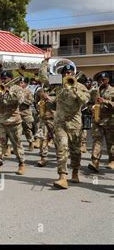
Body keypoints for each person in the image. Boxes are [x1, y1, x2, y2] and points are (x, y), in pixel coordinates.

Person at [40, 48, 89, 189]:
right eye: (65, 73)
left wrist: (73, 88)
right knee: (61, 148)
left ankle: (75, 171)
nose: (67, 74)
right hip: (60, 123)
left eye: (69, 73)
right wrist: (45, 61)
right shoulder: (58, 83)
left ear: (73, 73)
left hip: (74, 124)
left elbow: (85, 100)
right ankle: (62, 177)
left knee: (75, 151)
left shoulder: (80, 86)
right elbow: (43, 78)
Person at [0, 71, 26, 176]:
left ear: (10, 79)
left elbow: (19, 101)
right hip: (2, 121)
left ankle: (21, 164)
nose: (3, 81)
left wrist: (7, 92)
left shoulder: (17, 89)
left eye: (5, 79)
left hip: (14, 122)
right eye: (2, 79)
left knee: (17, 145)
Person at [88, 72, 114, 171]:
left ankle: (112, 160)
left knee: (111, 142)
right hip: (98, 120)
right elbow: (90, 103)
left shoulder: (112, 91)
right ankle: (95, 161)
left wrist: (105, 101)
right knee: (97, 141)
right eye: (100, 80)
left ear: (108, 80)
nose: (101, 82)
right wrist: (92, 108)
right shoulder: (95, 91)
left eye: (103, 80)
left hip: (109, 121)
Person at [34, 84, 57, 167]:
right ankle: (43, 158)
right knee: (43, 138)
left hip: (56, 118)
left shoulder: (60, 90)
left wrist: (49, 98)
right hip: (44, 118)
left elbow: (63, 104)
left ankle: (60, 156)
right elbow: (36, 101)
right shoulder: (41, 90)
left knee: (57, 139)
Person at [17, 77, 35, 151]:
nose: (20, 84)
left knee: (27, 130)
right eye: (20, 82)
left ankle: (31, 142)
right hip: (17, 113)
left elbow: (30, 102)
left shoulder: (28, 92)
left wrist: (23, 99)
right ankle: (18, 146)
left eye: (22, 82)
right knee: (17, 130)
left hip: (25, 113)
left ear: (26, 84)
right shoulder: (16, 91)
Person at [80, 78, 94, 153]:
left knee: (84, 129)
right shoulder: (82, 89)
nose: (87, 83)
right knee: (79, 128)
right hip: (80, 111)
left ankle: (83, 145)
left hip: (87, 112)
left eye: (89, 82)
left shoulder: (93, 91)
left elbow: (94, 101)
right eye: (86, 82)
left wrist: (89, 107)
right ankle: (79, 144)